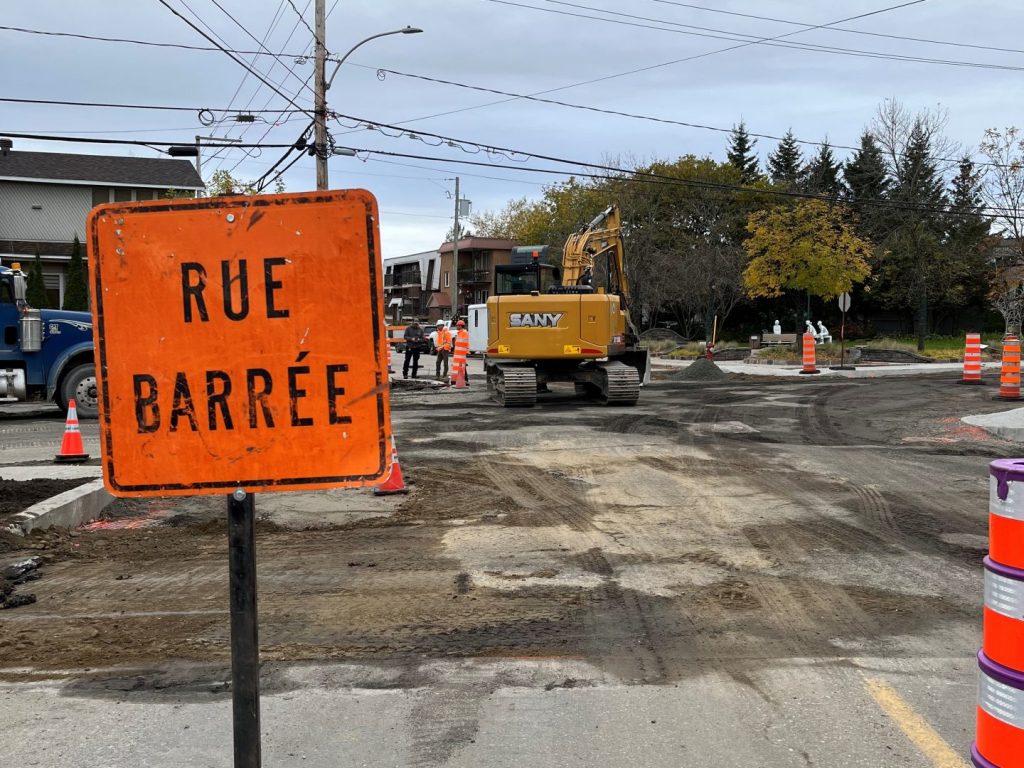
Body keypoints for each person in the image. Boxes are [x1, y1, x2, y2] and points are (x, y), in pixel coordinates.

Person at [454, 319, 470, 386]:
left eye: (457, 325)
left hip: (462, 352)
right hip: (459, 353)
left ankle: (465, 380)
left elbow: (464, 342)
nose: (456, 327)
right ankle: (461, 380)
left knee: (462, 367)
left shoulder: (464, 332)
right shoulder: (460, 333)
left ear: (460, 326)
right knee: (460, 367)